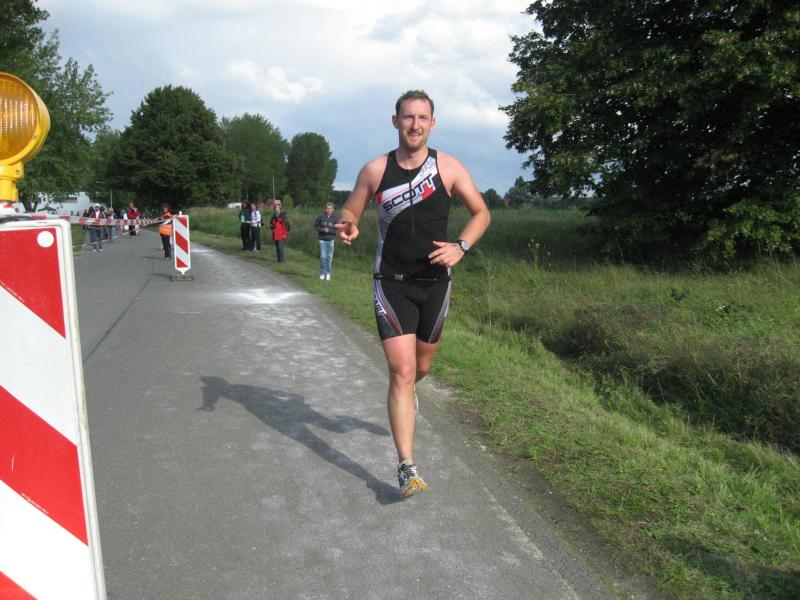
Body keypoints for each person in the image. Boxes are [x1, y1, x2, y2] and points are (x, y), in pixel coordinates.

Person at [336, 90, 490, 497]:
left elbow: (482, 213)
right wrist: (348, 222)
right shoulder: (376, 169)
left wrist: (461, 246)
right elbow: (351, 208)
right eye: (408, 117)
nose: (415, 124)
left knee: (421, 368)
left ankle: (410, 393)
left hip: (435, 285)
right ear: (396, 121)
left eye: (422, 118)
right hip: (390, 283)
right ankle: (407, 466)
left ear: (432, 123)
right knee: (402, 372)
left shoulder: (448, 167)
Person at [314, 201, 337, 280]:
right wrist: (322, 229)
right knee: (323, 257)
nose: (328, 210)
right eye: (327, 208)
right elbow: (316, 226)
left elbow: (337, 229)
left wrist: (329, 230)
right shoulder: (321, 216)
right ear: (325, 209)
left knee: (329, 258)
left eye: (330, 209)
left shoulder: (335, 218)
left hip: (331, 240)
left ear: (333, 209)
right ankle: (322, 272)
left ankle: (328, 273)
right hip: (322, 239)